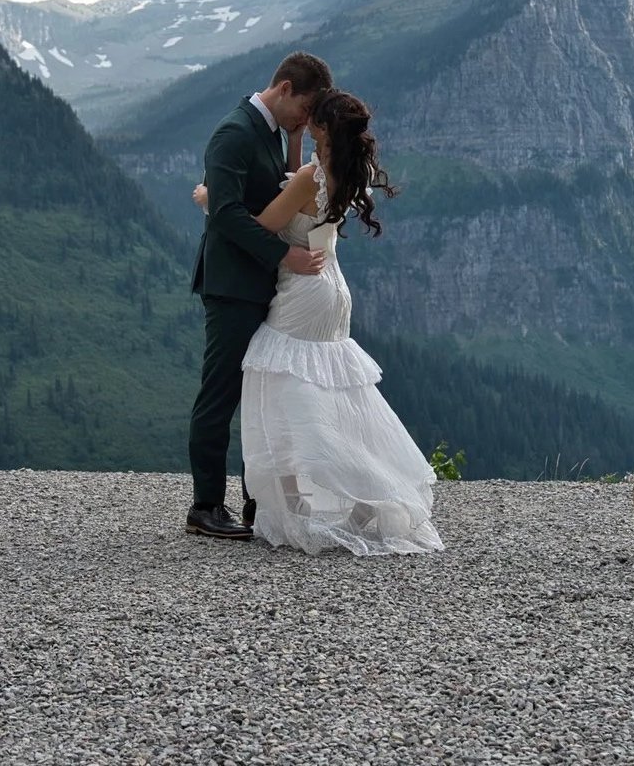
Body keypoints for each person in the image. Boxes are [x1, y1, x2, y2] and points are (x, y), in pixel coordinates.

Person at [194, 89, 443, 556]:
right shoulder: (352, 171)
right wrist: (292, 143)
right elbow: (299, 193)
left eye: (313, 121)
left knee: (282, 388)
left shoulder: (311, 177)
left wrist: (211, 198)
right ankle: (357, 496)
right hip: (332, 285)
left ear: (323, 130)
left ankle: (291, 505)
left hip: (302, 290)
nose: (305, 122)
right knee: (328, 391)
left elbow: (266, 224)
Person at [184, 52, 332, 540]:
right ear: (285, 88)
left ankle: (257, 502)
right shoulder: (234, 131)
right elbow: (225, 214)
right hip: (231, 285)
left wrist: (292, 141)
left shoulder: (270, 131)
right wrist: (284, 256)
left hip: (258, 284)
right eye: (305, 111)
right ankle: (205, 506)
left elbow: (278, 194)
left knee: (260, 395)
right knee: (221, 393)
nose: (308, 122)